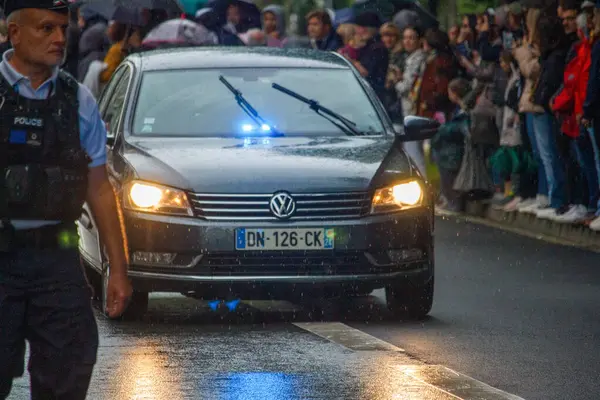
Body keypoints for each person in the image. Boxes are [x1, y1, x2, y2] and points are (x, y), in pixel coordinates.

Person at [0, 1, 132, 399]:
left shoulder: (78, 101)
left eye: (63, 28)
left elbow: (100, 189)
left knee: (68, 375)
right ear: (14, 32)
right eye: (46, 28)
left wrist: (118, 269)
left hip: (57, 261)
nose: (59, 38)